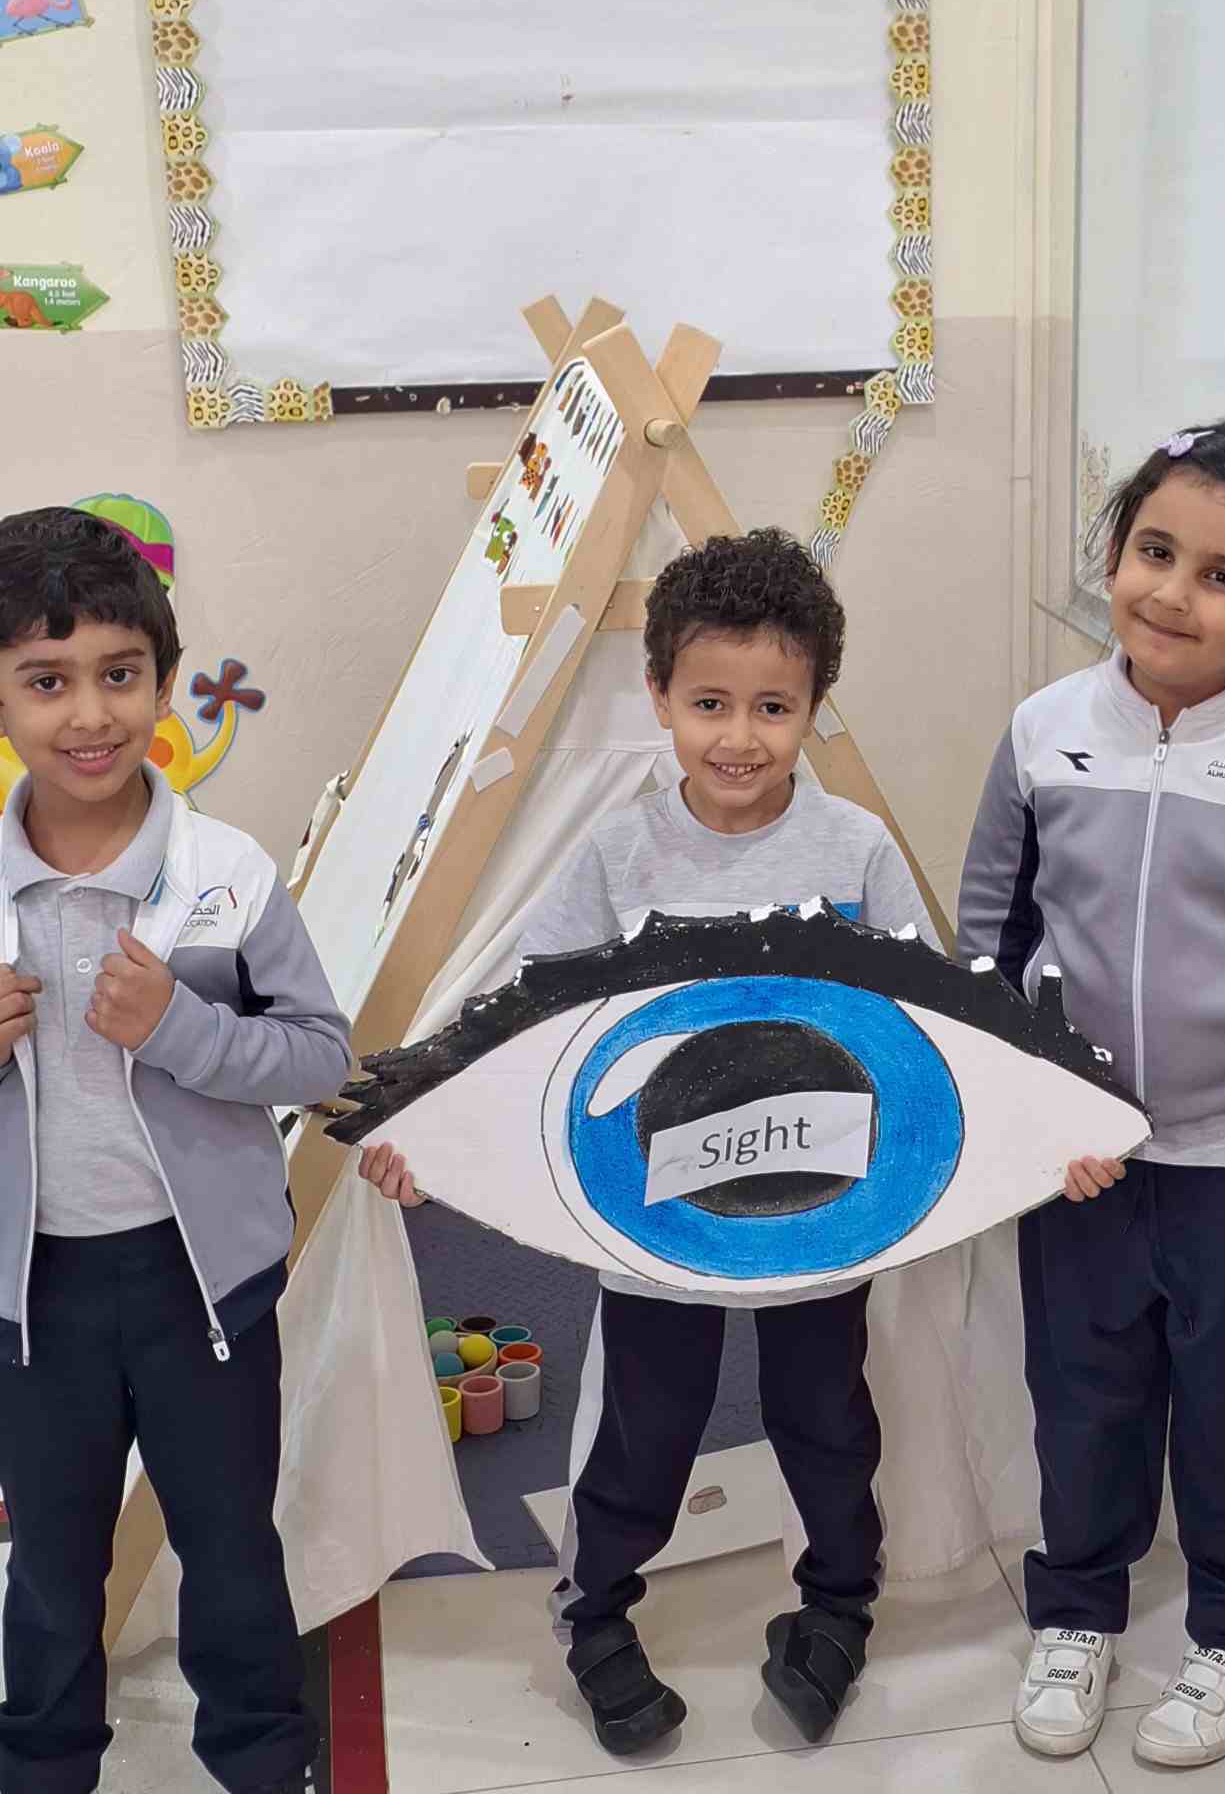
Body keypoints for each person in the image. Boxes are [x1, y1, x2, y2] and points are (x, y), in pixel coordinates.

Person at [361, 528, 935, 1756]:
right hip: (658, 1217)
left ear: (816, 706)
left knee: (828, 1421)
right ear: (660, 694)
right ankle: (594, 1609)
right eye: (710, 702)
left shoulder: (858, 849)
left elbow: (937, 1028)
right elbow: (526, 1012)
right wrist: (431, 1120)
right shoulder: (620, 852)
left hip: (820, 1217)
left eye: (774, 707)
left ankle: (839, 1601)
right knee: (645, 1425)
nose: (740, 737)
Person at [958, 422, 1225, 1767]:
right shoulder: (1043, 734)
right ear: (1114, 556)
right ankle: (1075, 1611)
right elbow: (990, 943)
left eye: (1221, 576)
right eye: (1154, 552)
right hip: (1080, 1154)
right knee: (1081, 1390)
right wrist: (1035, 1113)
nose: (1173, 594)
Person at [0, 506, 354, 1794]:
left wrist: (183, 1031)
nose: (89, 714)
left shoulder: (227, 874)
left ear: (163, 681)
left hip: (203, 1286)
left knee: (231, 1545)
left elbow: (320, 1058)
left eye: (120, 673)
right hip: (33, 1298)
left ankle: (262, 1754)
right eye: (46, 681)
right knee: (50, 1561)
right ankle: (43, 1763)